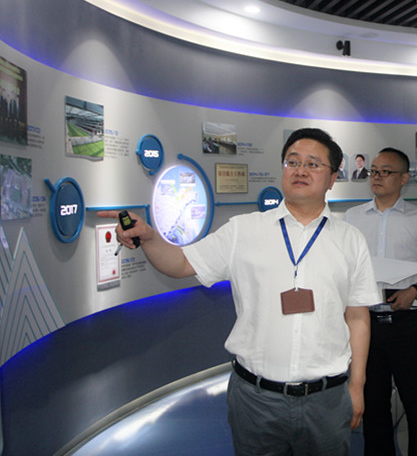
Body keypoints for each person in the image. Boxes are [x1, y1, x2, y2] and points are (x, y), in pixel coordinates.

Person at [99, 128, 380, 456]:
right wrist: (149, 238)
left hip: (327, 400)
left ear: (332, 178)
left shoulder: (350, 240)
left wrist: (357, 385)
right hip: (256, 400)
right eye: (292, 162)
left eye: (313, 164)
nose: (300, 170)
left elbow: (357, 316)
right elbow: (180, 263)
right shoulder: (243, 230)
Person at [345, 147, 417, 456]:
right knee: (373, 404)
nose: (377, 177)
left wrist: (413, 290)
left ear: (404, 179)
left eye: (385, 172)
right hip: (365, 324)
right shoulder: (352, 218)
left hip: (407, 323)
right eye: (374, 171)